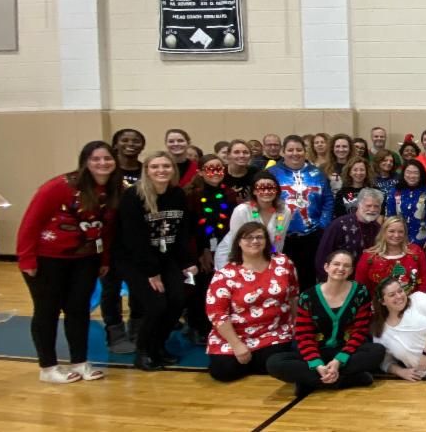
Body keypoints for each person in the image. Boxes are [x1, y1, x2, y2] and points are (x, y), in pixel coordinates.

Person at [17, 141, 120, 383]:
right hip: (48, 258)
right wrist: (27, 258)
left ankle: (80, 361)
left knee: (78, 311)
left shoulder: (115, 189)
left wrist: (104, 258)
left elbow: (107, 229)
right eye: (96, 159)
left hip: (85, 259)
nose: (103, 163)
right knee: (47, 311)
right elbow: (31, 223)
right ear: (85, 161)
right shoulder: (58, 186)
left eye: (107, 158)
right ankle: (48, 367)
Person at [113, 151, 198, 370]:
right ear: (147, 170)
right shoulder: (134, 196)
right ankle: (143, 352)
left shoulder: (177, 194)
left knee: (178, 300)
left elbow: (181, 232)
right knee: (156, 304)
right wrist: (152, 272)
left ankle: (159, 346)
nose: (161, 171)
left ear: (173, 169)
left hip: (164, 256)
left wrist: (187, 262)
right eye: (155, 166)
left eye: (166, 166)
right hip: (135, 260)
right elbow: (134, 239)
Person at [266, 249, 384, 396]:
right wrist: (317, 364)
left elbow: (359, 332)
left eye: (346, 266)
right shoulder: (308, 297)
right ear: (326, 267)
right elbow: (304, 336)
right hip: (317, 350)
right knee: (274, 362)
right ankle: (344, 380)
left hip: (345, 351)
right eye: (336, 264)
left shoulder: (360, 292)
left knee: (377, 351)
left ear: (351, 270)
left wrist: (338, 361)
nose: (341, 269)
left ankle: (310, 382)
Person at [205, 222, 298, 382]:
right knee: (224, 372)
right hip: (237, 335)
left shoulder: (283, 263)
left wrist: (296, 322)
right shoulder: (225, 274)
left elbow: (293, 294)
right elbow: (217, 314)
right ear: (238, 242)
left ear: (266, 241)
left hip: (273, 332)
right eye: (248, 238)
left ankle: (257, 359)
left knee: (271, 365)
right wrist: (237, 345)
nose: (254, 241)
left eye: (259, 237)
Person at [185, 155, 238, 345]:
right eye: (210, 169)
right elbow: (189, 228)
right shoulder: (192, 195)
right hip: (198, 250)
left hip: (224, 249)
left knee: (220, 288)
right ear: (200, 172)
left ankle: (219, 324)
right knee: (198, 289)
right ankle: (196, 326)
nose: (215, 173)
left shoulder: (230, 194)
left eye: (219, 169)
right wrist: (201, 251)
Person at [270, 135, 335, 290]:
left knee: (310, 277)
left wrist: (323, 225)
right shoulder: (272, 173)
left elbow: (328, 200)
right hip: (281, 235)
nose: (295, 153)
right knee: (282, 275)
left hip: (313, 235)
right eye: (290, 150)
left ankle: (307, 310)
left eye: (299, 149)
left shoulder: (317, 173)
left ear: (305, 151)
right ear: (283, 152)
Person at [105, 128, 145, 354]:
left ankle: (138, 330)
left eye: (136, 140)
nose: (131, 144)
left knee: (139, 287)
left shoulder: (145, 171)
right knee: (111, 289)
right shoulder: (109, 170)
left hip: (138, 240)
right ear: (116, 144)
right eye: (125, 140)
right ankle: (115, 333)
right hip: (112, 239)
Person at [215, 171, 295, 265]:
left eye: (271, 188)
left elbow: (278, 242)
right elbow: (236, 242)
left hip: (265, 257)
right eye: (261, 188)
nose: (266, 192)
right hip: (234, 257)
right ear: (254, 191)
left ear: (277, 190)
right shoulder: (242, 211)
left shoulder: (284, 212)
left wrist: (274, 261)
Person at [315, 188, 384, 277]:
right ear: (359, 205)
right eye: (368, 205)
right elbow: (322, 257)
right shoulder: (339, 225)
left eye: (376, 206)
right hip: (340, 279)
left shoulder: (377, 228)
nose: (372, 209)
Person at [355, 215, 426, 294]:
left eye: (400, 232)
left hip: (413, 302)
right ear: (383, 232)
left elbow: (424, 281)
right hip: (380, 304)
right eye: (391, 231)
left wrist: (417, 301)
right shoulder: (369, 257)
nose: (396, 235)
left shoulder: (416, 251)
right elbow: (361, 286)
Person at [388, 159, 426, 251]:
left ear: (421, 175)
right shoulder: (395, 191)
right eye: (408, 172)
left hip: (423, 242)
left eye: (416, 172)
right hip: (399, 239)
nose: (412, 176)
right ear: (403, 173)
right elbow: (390, 217)